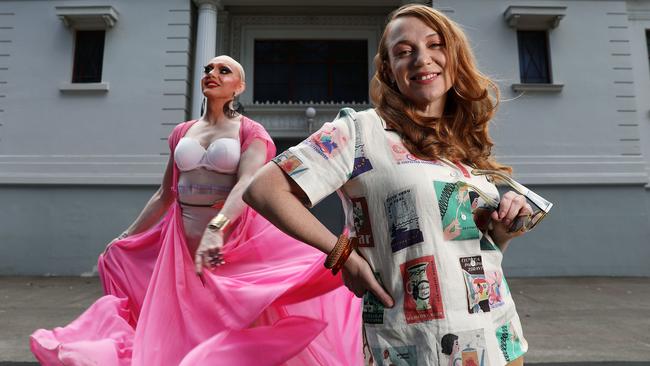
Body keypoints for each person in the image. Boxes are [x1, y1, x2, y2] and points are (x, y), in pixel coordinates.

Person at [244, 4, 552, 366]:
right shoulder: (360, 131)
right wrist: (342, 255)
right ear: (390, 71)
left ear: (453, 56)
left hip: (500, 339)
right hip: (411, 346)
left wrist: (502, 231)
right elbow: (263, 189)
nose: (423, 59)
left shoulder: (463, 146)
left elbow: (472, 251)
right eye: (404, 52)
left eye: (435, 45)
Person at [30, 55, 362, 365]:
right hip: (181, 244)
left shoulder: (250, 131)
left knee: (236, 323)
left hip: (231, 245)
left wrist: (216, 230)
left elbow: (247, 185)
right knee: (183, 323)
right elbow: (165, 193)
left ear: (239, 87)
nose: (212, 74)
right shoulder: (181, 132)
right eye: (208, 69)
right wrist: (127, 235)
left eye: (223, 71)